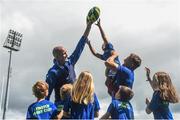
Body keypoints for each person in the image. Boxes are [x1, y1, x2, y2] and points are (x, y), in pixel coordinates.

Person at [45, 22, 93, 106]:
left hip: (74, 101)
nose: (66, 54)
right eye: (64, 53)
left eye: (66, 52)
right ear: (57, 57)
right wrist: (46, 110)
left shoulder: (70, 62)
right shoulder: (53, 72)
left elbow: (80, 46)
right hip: (61, 105)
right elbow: (47, 92)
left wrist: (88, 26)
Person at [87, 19, 120, 86]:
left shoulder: (109, 47)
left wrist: (99, 26)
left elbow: (104, 37)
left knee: (109, 74)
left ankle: (116, 81)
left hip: (115, 65)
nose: (103, 44)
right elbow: (95, 54)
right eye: (102, 44)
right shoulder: (104, 56)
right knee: (107, 83)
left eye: (104, 43)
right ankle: (113, 87)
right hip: (110, 69)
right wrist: (89, 44)